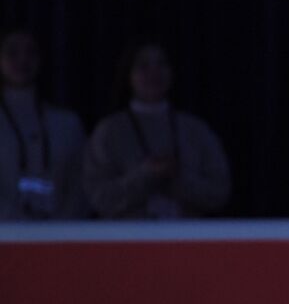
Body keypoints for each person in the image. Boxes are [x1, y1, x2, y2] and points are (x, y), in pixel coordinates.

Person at [84, 40, 231, 219]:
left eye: (161, 64)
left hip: (186, 238)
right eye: (143, 65)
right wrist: (146, 174)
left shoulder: (195, 129)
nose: (154, 73)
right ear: (128, 75)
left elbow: (219, 191)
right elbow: (98, 196)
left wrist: (179, 179)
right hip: (128, 239)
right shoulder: (109, 131)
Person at [0, 28, 89, 220]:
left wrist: (58, 227)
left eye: (30, 52)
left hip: (58, 236)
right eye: (12, 52)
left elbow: (81, 184)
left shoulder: (67, 123)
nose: (22, 60)